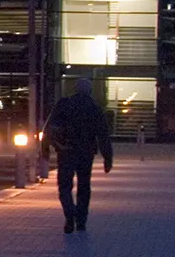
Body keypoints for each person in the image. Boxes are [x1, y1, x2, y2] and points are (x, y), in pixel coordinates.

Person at [40, 78, 113, 233]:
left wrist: (45, 148)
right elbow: (103, 135)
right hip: (86, 153)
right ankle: (81, 221)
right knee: (84, 187)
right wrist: (108, 158)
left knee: (64, 186)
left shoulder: (64, 104)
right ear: (90, 91)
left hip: (65, 151)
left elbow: (49, 127)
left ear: (75, 89)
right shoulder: (94, 108)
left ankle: (69, 214)